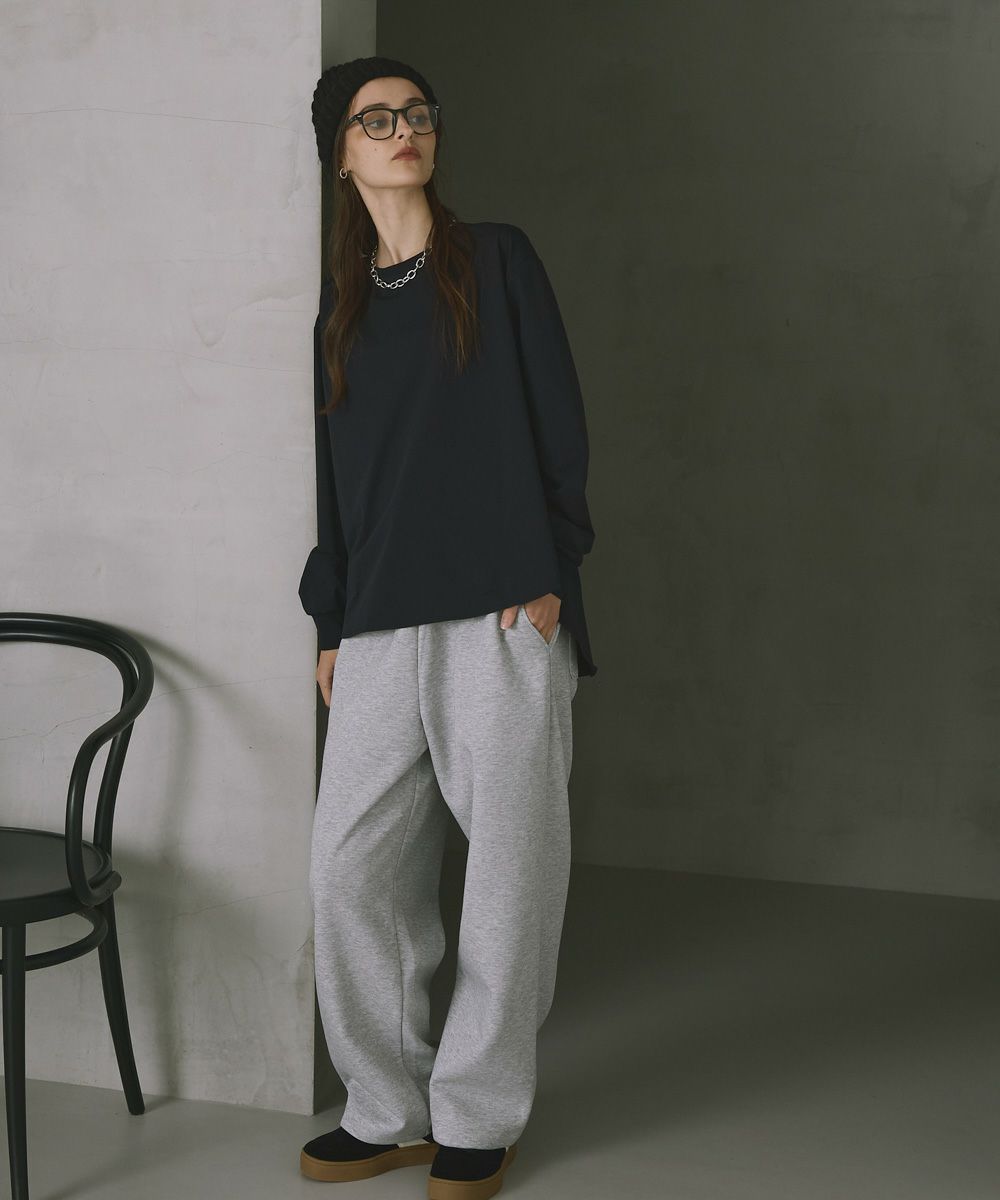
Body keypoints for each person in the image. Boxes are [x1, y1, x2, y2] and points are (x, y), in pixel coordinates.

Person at [298, 56, 597, 1200]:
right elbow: (340, 486)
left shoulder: (497, 261)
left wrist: (553, 567)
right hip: (378, 622)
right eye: (375, 119)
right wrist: (333, 621)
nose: (403, 130)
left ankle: (479, 1113)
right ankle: (387, 1108)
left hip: (501, 611)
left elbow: (558, 418)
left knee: (509, 878)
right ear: (341, 154)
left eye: (416, 114)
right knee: (349, 873)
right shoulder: (338, 314)